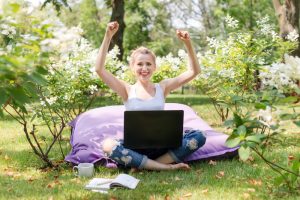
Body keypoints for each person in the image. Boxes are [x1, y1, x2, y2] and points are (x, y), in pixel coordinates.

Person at [95, 21, 206, 171]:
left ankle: (144, 166)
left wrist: (188, 43)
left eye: (148, 64)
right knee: (108, 145)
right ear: (133, 68)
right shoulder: (127, 90)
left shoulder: (163, 87)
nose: (144, 68)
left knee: (200, 136)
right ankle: (166, 168)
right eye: (140, 64)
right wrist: (108, 36)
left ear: (154, 67)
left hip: (162, 147)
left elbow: (194, 72)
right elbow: (99, 69)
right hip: (135, 149)